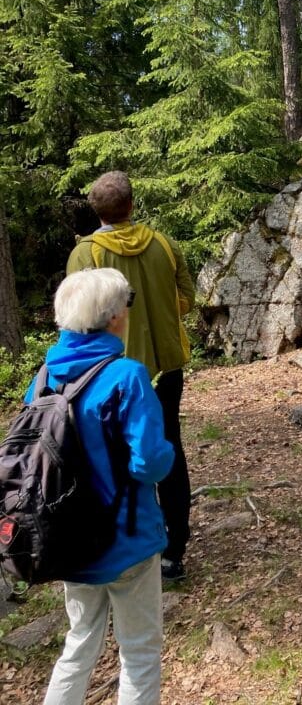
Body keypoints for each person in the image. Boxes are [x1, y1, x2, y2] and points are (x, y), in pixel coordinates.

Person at [37, 269, 174, 705]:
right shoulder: (127, 377)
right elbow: (151, 463)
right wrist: (167, 452)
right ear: (115, 316)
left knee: (78, 646)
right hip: (126, 539)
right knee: (138, 653)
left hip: (64, 537)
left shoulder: (43, 378)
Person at [67, 171, 195, 582]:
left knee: (119, 459)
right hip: (167, 368)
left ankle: (132, 547)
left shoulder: (86, 254)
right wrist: (158, 313)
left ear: (97, 210)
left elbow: (78, 320)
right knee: (167, 449)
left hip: (112, 373)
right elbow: (187, 299)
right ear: (132, 204)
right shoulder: (163, 243)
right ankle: (174, 552)